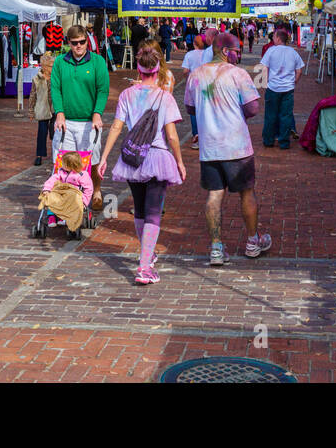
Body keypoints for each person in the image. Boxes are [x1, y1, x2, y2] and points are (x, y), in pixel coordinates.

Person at [101, 43, 186, 285]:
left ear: (138, 68)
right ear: (158, 69)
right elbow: (171, 136)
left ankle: (146, 256)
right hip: (158, 157)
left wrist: (105, 157)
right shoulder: (165, 97)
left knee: (139, 210)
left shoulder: (127, 94)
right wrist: (180, 161)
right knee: (153, 213)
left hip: (133, 158)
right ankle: (144, 266)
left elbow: (117, 126)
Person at [184, 31, 271, 266]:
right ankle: (253, 241)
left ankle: (216, 248)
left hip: (209, 147)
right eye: (236, 51)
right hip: (237, 147)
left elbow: (190, 109)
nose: (238, 55)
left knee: (214, 195)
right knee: (247, 192)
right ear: (224, 51)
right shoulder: (238, 74)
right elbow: (252, 109)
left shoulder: (196, 75)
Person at [50, 24, 110, 210]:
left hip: (88, 122)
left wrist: (97, 113)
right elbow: (55, 88)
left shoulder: (97, 62)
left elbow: (103, 90)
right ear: (68, 43)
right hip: (66, 121)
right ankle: (70, 197)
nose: (78, 46)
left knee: (92, 160)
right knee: (65, 162)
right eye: (74, 43)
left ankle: (96, 190)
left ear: (87, 41)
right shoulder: (60, 62)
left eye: (82, 42)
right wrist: (59, 113)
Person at [257, 29, 305, 149]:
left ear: (278, 38)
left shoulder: (271, 50)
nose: (273, 38)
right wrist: (294, 82)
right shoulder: (293, 52)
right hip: (288, 89)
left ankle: (268, 140)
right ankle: (284, 142)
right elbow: (299, 71)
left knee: (270, 115)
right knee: (286, 115)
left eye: (274, 36)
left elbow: (264, 68)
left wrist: (266, 82)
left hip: (273, 88)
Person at [39, 150, 94, 238]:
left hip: (73, 195)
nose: (61, 165)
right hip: (60, 193)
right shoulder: (61, 172)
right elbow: (52, 179)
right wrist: (47, 189)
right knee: (51, 198)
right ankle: (52, 217)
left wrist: (84, 202)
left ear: (70, 166)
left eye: (63, 164)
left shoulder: (82, 175)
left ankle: (62, 217)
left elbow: (89, 189)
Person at [30, 51, 56, 166]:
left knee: (55, 133)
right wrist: (31, 111)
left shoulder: (56, 78)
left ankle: (58, 155)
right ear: (44, 66)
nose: (53, 68)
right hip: (42, 109)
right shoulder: (37, 79)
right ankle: (39, 155)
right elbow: (32, 95)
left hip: (55, 109)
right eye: (51, 66)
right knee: (42, 132)